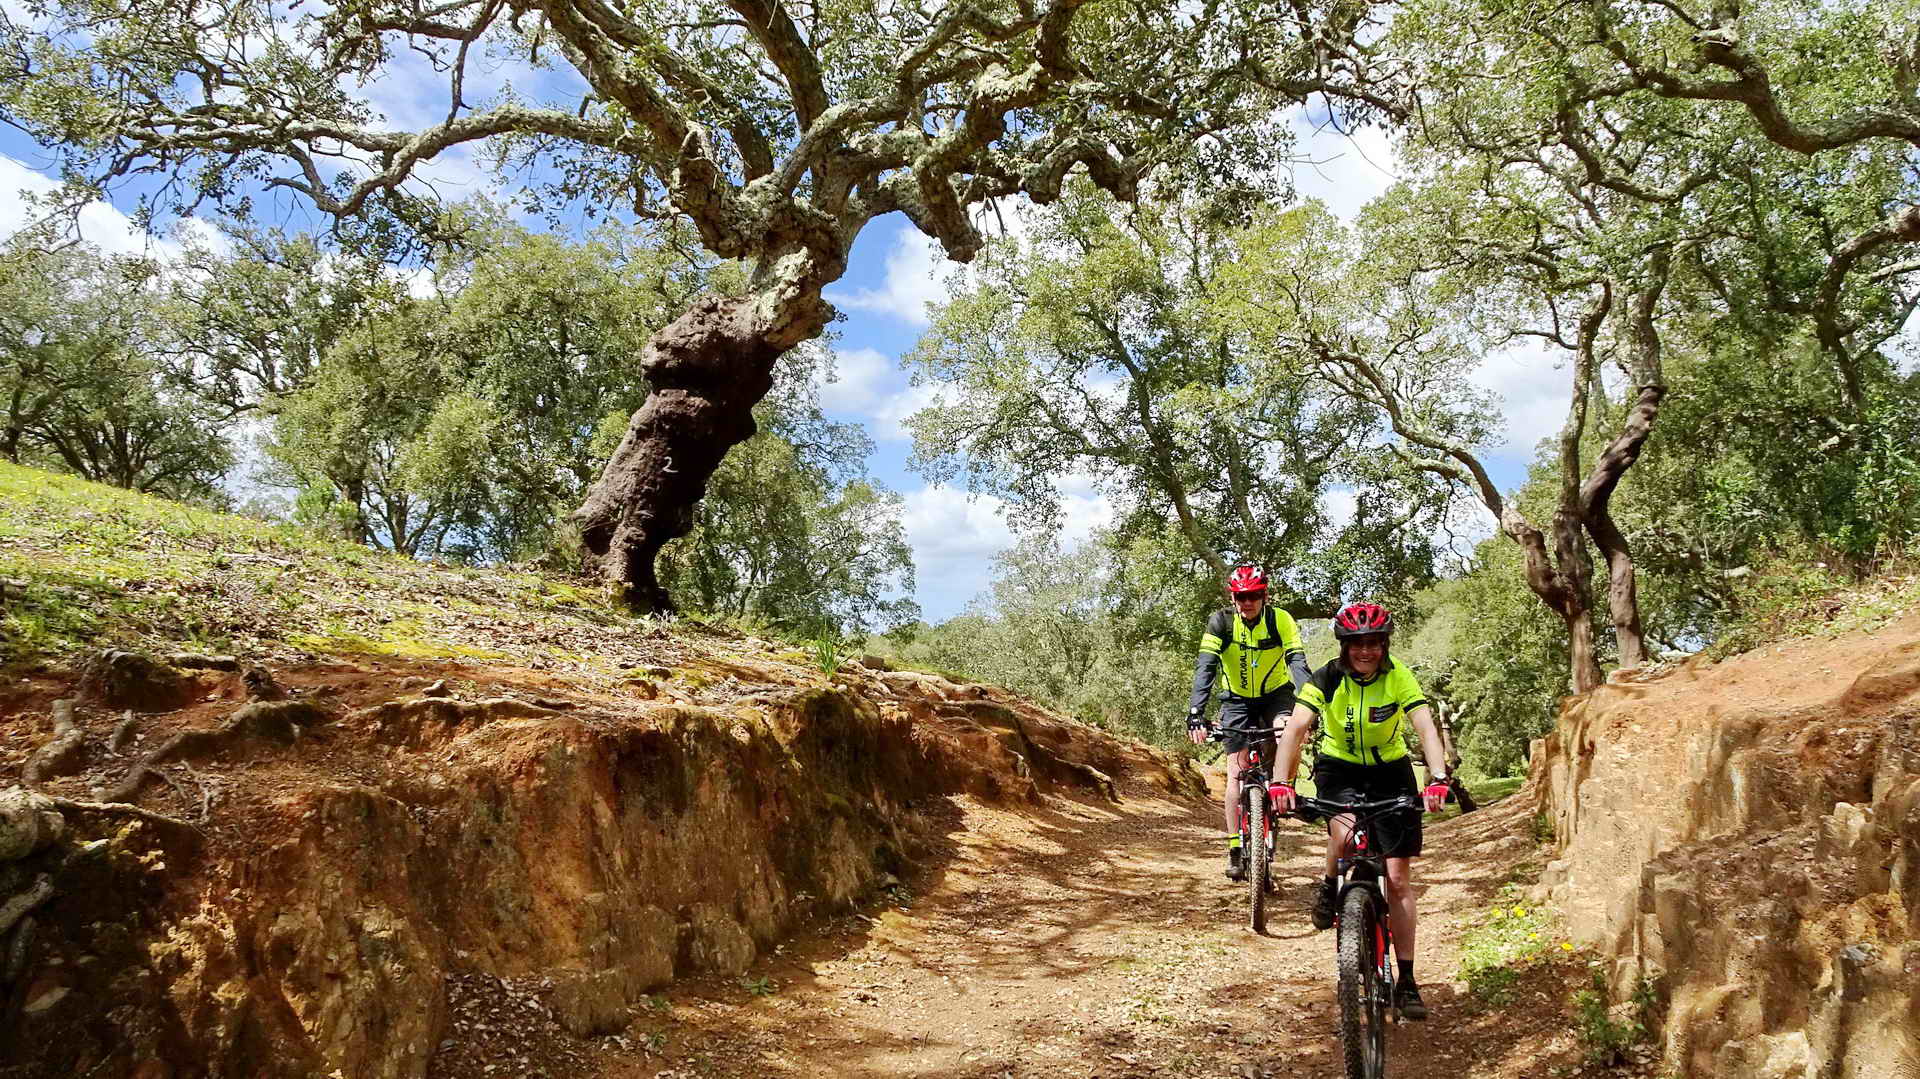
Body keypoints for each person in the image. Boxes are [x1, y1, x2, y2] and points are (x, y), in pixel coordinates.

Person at [1268, 601, 1451, 1020]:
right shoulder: (1326, 678)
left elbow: (1424, 725)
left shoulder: (1397, 675)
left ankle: (1406, 979)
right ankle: (1331, 884)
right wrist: (1282, 783)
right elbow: (1296, 728)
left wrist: (1437, 777)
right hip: (1339, 768)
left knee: (1399, 878)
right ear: (1344, 646)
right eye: (1357, 644)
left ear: (1384, 645)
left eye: (1374, 643)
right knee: (1346, 835)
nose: (1366, 651)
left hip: (1391, 770)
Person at [1185, 564, 1311, 882]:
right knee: (1236, 774)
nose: (1247, 602)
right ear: (1233, 597)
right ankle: (1233, 848)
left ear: (1264, 595)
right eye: (1241, 597)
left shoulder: (1280, 620)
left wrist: (1310, 705)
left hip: (1276, 696)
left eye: (1253, 595)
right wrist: (1196, 712)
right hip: (1236, 700)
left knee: (1288, 733)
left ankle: (1285, 786)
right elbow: (1206, 667)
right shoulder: (1221, 623)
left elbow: (1297, 661)